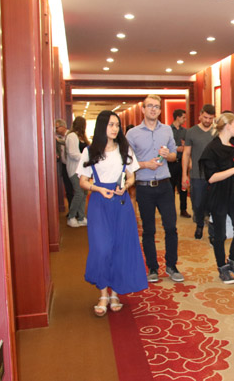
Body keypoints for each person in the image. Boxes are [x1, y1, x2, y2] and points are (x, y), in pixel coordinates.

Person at [77, 111, 147, 317]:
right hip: (99, 204)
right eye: (110, 125)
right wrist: (98, 189)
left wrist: (126, 185)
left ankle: (114, 293)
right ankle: (102, 294)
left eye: (117, 125)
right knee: (101, 249)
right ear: (102, 127)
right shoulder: (90, 151)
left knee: (119, 248)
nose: (115, 129)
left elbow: (132, 176)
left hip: (121, 204)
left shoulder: (125, 149)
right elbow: (83, 181)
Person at [126, 94, 183, 283]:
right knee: (148, 230)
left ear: (160, 110)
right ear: (143, 109)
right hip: (144, 188)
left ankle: (172, 266)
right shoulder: (132, 133)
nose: (153, 109)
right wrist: (145, 165)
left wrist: (168, 155)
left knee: (171, 227)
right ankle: (152, 268)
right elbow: (127, 162)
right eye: (149, 106)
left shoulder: (166, 130)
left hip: (165, 186)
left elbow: (174, 156)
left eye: (156, 106)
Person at [199, 112, 234, 283]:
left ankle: (233, 260)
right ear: (227, 126)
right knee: (219, 235)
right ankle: (222, 267)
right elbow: (212, 177)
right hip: (218, 196)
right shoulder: (211, 149)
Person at [182, 104, 216, 240]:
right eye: (205, 117)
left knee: (214, 204)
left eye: (210, 118)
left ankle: (213, 232)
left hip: (214, 174)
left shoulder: (217, 132)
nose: (208, 120)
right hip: (197, 174)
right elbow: (186, 153)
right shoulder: (191, 132)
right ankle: (200, 224)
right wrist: (184, 174)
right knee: (197, 203)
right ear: (200, 115)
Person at [66, 116, 90, 227]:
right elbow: (73, 154)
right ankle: (71, 217)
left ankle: (81, 217)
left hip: (83, 171)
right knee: (79, 193)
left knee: (84, 193)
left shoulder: (82, 137)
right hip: (74, 170)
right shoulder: (72, 136)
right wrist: (85, 158)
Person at [170, 109, 190, 218]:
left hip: (182, 162)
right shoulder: (168, 130)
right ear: (177, 117)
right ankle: (171, 210)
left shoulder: (185, 131)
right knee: (170, 188)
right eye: (183, 117)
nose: (185, 119)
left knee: (183, 187)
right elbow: (164, 146)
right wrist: (177, 148)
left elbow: (188, 145)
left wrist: (184, 147)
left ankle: (183, 209)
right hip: (171, 163)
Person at [55, 119, 73, 211]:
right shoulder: (57, 137)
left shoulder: (71, 135)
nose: (56, 129)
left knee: (74, 189)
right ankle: (71, 210)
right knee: (68, 189)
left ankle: (76, 212)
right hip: (64, 166)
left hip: (72, 166)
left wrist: (58, 140)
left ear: (63, 127)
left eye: (57, 127)